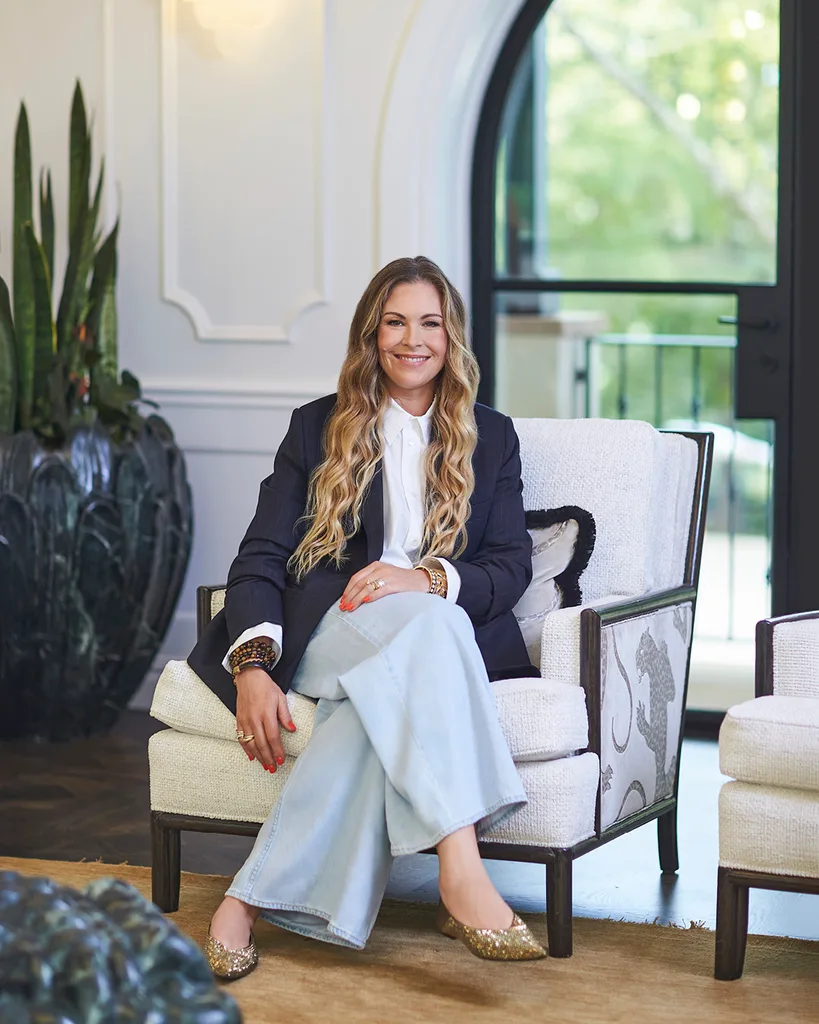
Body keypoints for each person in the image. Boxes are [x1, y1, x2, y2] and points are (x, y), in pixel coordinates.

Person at [187, 256, 545, 979]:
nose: (412, 340)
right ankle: (461, 867)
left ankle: (244, 902)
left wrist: (421, 578)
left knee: (399, 667)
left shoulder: (493, 436)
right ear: (369, 334)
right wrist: (251, 665)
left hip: (421, 645)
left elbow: (510, 567)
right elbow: (259, 556)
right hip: (330, 633)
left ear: (452, 338)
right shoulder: (317, 426)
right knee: (432, 630)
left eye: (430, 323)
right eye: (394, 322)